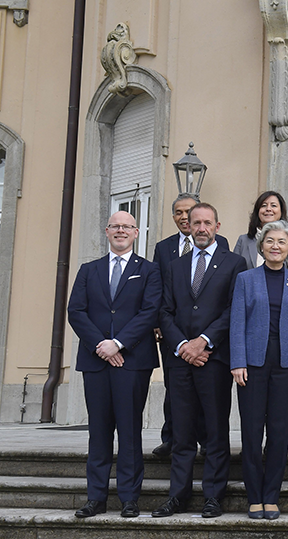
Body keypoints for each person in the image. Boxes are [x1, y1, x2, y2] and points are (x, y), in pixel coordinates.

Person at [153, 203, 247, 519]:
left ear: (217, 226)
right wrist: (182, 345)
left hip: (214, 359)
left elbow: (234, 310)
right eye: (196, 223)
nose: (202, 228)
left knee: (216, 431)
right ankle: (177, 495)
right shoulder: (175, 266)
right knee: (181, 432)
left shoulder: (235, 263)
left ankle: (212, 497)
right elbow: (164, 311)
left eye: (207, 223)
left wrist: (203, 341)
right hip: (180, 360)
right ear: (188, 227)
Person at [68, 211, 162, 518]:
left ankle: (129, 498)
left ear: (136, 233)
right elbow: (76, 311)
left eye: (127, 227)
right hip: (96, 361)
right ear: (107, 231)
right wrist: (102, 346)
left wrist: (118, 343)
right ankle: (95, 498)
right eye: (116, 226)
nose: (121, 231)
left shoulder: (148, 271)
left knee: (129, 429)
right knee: (99, 430)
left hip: (132, 362)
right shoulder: (88, 270)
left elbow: (149, 312)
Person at [230, 220, 288, 520]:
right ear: (261, 246)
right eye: (269, 241)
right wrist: (237, 361)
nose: (275, 246)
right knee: (252, 432)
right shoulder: (245, 279)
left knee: (279, 433)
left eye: (282, 242)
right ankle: (254, 497)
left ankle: (271, 496)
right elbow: (237, 323)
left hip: (286, 365)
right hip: (251, 363)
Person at [151, 192, 229, 457]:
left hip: (210, 343)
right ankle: (171, 436)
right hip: (174, 335)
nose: (185, 218)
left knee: (208, 396)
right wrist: (175, 337)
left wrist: (203, 341)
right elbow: (159, 289)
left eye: (190, 212)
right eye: (180, 213)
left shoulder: (222, 246)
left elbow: (220, 292)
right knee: (174, 390)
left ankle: (206, 439)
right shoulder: (164, 248)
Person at [233, 191, 288, 276]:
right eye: (263, 205)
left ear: (281, 211)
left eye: (273, 205)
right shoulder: (243, 240)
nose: (268, 209)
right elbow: (235, 274)